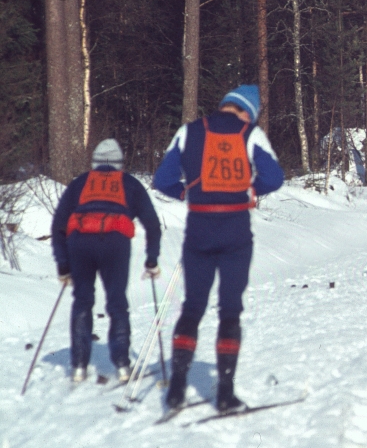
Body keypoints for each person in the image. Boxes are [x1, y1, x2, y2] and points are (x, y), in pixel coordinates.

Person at [153, 84, 284, 413]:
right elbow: (275, 177)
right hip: (236, 231)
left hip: (199, 228)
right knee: (230, 309)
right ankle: (225, 393)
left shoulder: (189, 131)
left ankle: (177, 390)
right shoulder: (250, 133)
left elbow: (163, 179)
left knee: (192, 307)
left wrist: (188, 193)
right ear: (245, 112)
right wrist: (249, 191)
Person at [51, 139, 162, 383]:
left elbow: (59, 223)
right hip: (114, 243)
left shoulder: (80, 183)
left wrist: (63, 263)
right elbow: (152, 224)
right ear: (120, 164)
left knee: (82, 301)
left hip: (80, 243)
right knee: (116, 302)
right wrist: (151, 259)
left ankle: (79, 366)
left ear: (94, 163)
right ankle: (122, 366)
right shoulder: (130, 184)